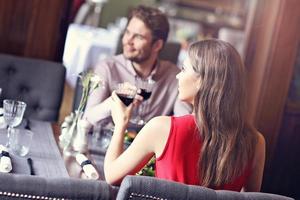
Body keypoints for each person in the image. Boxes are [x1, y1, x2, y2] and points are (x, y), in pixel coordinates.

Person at [104, 39, 266, 192]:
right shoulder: (256, 142)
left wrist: (121, 124)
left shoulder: (162, 128)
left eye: (183, 69)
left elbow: (112, 176)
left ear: (202, 81)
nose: (177, 76)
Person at [84, 5, 191, 128]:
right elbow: (88, 118)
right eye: (127, 32)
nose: (128, 40)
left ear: (157, 45)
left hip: (150, 145)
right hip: (107, 143)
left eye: (138, 37)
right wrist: (115, 101)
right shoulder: (107, 67)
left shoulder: (175, 77)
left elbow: (184, 124)